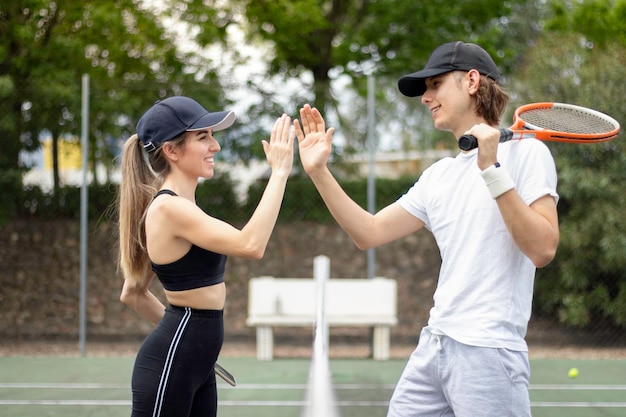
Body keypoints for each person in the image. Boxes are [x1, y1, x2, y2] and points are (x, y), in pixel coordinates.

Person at [294, 41, 559, 417]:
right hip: (435, 344)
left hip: (488, 351)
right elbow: (368, 233)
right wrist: (319, 172)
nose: (425, 97)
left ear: (470, 81)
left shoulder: (527, 154)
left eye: (435, 84)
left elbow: (543, 248)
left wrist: (492, 172)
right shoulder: (439, 176)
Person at [117, 96, 294, 417]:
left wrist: (191, 346)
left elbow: (133, 293)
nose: (215, 146)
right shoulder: (170, 209)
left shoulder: (179, 208)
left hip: (193, 361)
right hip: (174, 361)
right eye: (203, 137)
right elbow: (250, 245)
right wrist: (279, 173)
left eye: (212, 136)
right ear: (171, 151)